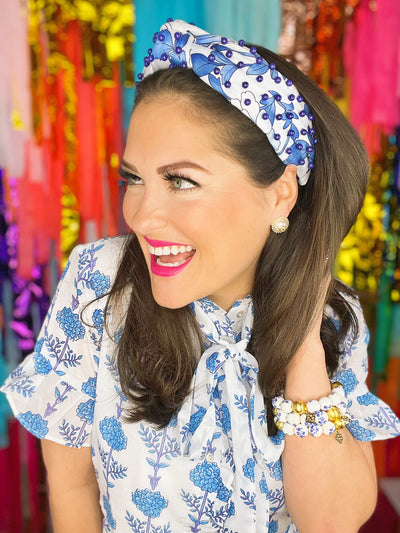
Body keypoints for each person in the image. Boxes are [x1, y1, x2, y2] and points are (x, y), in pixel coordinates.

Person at [2, 19, 400, 533]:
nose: (142, 217)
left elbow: (333, 521)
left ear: (280, 193)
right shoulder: (99, 283)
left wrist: (301, 335)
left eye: (181, 181)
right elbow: (70, 482)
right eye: (135, 180)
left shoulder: (332, 319)